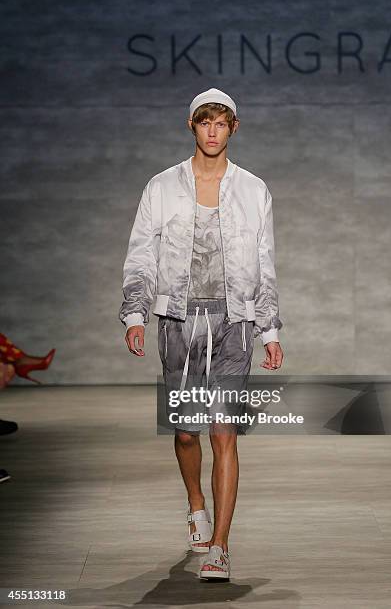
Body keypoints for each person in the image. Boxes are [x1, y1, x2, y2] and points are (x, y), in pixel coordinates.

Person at [119, 87, 284, 581]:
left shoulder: (254, 189)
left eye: (221, 123)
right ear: (190, 126)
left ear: (234, 128)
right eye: (203, 122)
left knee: (223, 433)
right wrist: (135, 314)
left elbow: (265, 263)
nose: (212, 131)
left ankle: (220, 545)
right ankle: (196, 504)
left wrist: (269, 328)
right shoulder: (162, 186)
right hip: (178, 322)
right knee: (187, 432)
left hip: (234, 323)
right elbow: (141, 253)